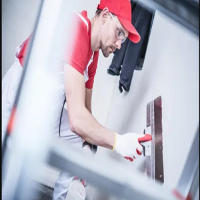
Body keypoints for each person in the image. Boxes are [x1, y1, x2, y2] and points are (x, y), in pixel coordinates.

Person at [2, 0, 152, 199]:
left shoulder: (94, 53)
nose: (118, 44)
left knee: (77, 140)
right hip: (20, 103)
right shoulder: (76, 28)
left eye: (122, 39)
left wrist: (87, 149)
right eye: (119, 33)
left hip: (45, 105)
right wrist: (118, 142)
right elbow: (78, 120)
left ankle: (63, 195)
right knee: (10, 177)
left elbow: (84, 110)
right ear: (105, 16)